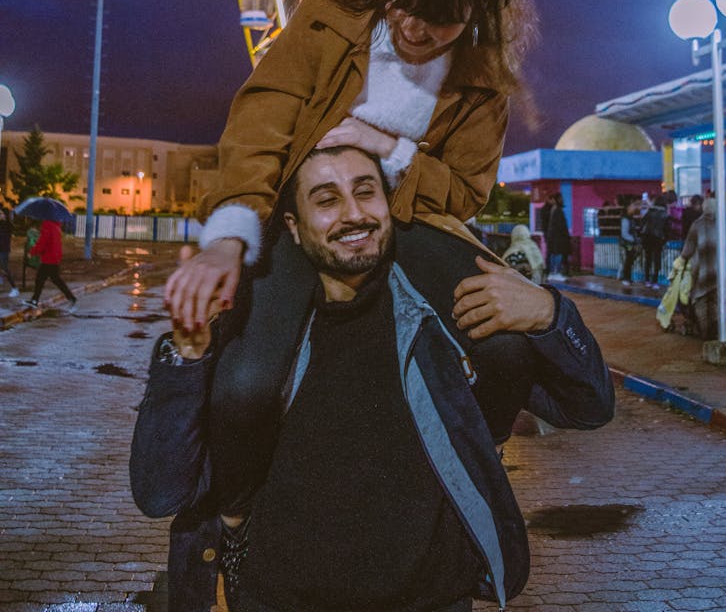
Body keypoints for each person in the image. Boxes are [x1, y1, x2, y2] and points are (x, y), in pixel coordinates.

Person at [164, 0, 536, 523]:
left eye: (440, 21)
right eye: (403, 7)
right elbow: (265, 115)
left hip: (408, 220)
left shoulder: (485, 75)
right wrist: (230, 233)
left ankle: (464, 496)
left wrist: (388, 150)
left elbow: (467, 191)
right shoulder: (334, 9)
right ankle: (232, 522)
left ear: (475, 11)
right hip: (308, 212)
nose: (415, 31)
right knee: (248, 385)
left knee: (508, 357)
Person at [131, 145, 614, 612]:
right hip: (276, 600)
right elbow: (159, 492)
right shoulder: (256, 332)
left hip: (434, 602)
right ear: (293, 229)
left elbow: (589, 406)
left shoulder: (443, 321)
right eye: (326, 199)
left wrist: (549, 313)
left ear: (389, 205)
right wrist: (188, 355)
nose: (353, 214)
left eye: (366, 192)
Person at [681, 196, 726, 340]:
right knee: (717, 303)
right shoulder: (725, 225)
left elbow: (687, 250)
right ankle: (716, 331)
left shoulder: (697, 225)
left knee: (701, 301)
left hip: (703, 272)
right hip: (722, 272)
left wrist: (681, 261)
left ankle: (705, 334)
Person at [22, 219, 76, 310]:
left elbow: (42, 243)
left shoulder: (47, 226)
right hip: (54, 258)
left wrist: (32, 252)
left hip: (48, 259)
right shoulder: (56, 227)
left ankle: (35, 301)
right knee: (53, 279)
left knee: (41, 280)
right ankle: (70, 297)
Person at [640, 194, 670, 289]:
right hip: (658, 238)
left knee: (648, 259)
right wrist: (665, 239)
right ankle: (655, 281)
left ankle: (647, 280)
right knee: (657, 260)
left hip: (648, 237)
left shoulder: (650, 212)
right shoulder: (665, 214)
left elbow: (642, 223)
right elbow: (667, 228)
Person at [546, 192, 570, 281]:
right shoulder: (557, 210)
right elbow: (561, 226)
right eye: (560, 198)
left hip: (554, 238)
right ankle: (556, 272)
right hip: (558, 238)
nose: (562, 200)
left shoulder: (554, 209)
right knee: (557, 255)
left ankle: (553, 272)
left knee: (554, 255)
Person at [619, 201, 641, 288]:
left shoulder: (630, 218)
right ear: (628, 208)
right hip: (628, 243)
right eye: (632, 206)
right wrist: (634, 240)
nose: (634, 208)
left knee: (630, 260)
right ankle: (625, 278)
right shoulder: (626, 219)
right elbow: (624, 233)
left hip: (629, 242)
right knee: (628, 260)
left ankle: (627, 277)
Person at [0, 204, 20, 298]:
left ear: (5, 215)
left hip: (3, 250)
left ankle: (14, 289)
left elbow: (4, 239)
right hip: (1, 249)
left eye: (1, 214)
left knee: (5, 269)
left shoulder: (7, 225)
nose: (0, 215)